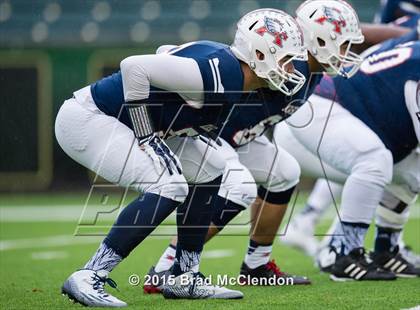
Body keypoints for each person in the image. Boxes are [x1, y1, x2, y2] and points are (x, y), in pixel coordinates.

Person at [56, 8, 308, 307]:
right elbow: (133, 67)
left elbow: (167, 53)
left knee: (212, 167)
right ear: (260, 55)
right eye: (287, 59)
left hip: (127, 122)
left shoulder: (233, 75)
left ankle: (184, 276)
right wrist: (146, 134)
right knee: (169, 185)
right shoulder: (220, 73)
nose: (292, 69)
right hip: (91, 118)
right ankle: (90, 274)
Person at [145, 0, 367, 291]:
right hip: (209, 132)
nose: (345, 53)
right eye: (342, 43)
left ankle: (256, 265)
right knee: (240, 188)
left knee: (284, 172)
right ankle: (167, 268)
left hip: (239, 136)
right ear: (320, 39)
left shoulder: (312, 69)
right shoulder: (290, 63)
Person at [274, 26, 420, 281]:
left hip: (352, 118)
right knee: (374, 161)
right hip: (319, 110)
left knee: (414, 171)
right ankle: (343, 251)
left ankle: (386, 250)